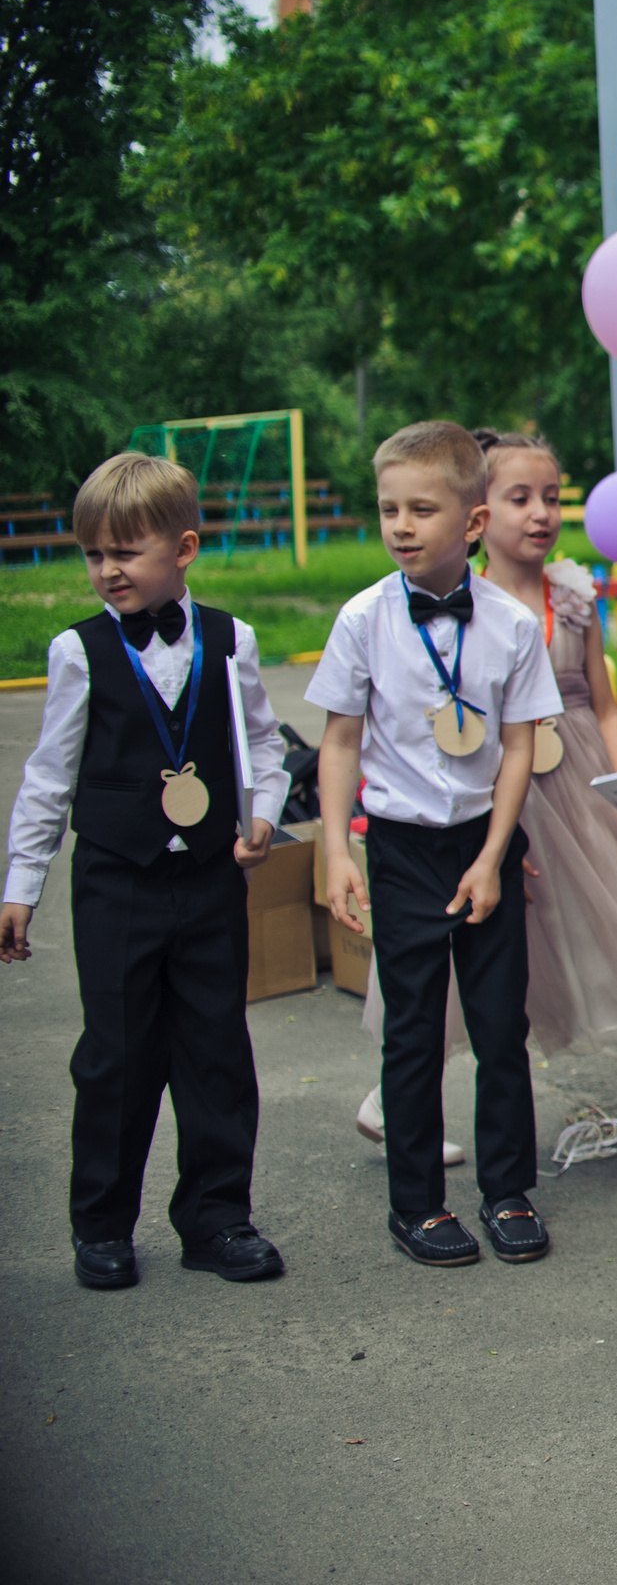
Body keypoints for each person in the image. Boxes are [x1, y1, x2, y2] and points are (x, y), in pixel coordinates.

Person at [344, 433, 617, 1205]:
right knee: (468, 968)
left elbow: (601, 702)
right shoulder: (447, 602)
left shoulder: (572, 594)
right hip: (500, 795)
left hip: (584, 788)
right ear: (475, 514)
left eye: (551, 496)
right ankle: (392, 1101)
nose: (540, 513)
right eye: (519, 497)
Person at [0, 454, 290, 1290]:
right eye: (93, 553)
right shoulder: (78, 650)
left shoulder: (232, 639)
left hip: (207, 883)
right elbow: (49, 775)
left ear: (184, 548)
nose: (106, 571)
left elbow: (264, 745)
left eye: (125, 552)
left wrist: (261, 812)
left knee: (216, 1051)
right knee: (116, 1055)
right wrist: (22, 887)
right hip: (116, 883)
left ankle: (216, 1217)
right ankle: (101, 1224)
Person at [314, 421, 563, 1268]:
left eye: (423, 509)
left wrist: (494, 856)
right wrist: (336, 852)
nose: (401, 526)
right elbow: (340, 740)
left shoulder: (511, 625)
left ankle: (507, 1191)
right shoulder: (362, 619)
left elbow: (521, 743)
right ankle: (416, 1205)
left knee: (500, 1028)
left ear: (471, 520)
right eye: (389, 509)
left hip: (483, 842)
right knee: (412, 1031)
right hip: (401, 847)